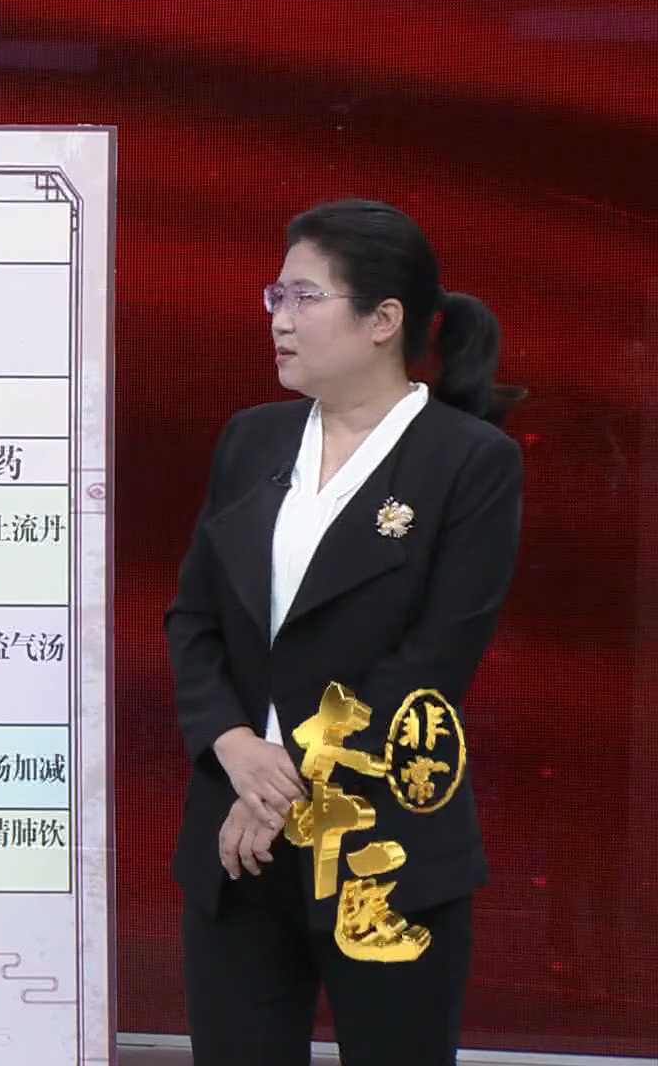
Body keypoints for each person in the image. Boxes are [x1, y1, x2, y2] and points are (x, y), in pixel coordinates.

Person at [164, 198, 526, 1065]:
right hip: (236, 840)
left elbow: (431, 665)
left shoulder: (468, 460)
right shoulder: (252, 440)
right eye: (276, 297)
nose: (279, 320)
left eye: (304, 297)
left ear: (382, 320)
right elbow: (194, 619)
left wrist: (280, 792)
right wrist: (233, 746)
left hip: (381, 842)